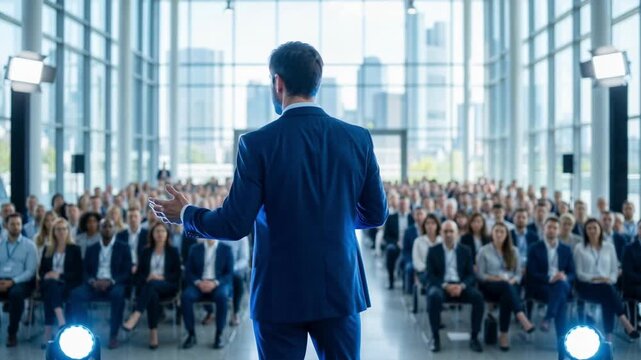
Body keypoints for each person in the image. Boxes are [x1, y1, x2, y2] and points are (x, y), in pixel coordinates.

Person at [150, 41, 388, 359]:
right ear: (316, 82)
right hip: (339, 287)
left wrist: (187, 214)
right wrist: (335, 217)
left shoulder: (257, 144)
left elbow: (235, 223)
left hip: (280, 293)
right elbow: (375, 214)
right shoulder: (357, 137)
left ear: (278, 83)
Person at [69, 218, 132, 349]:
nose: (107, 229)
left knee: (118, 296)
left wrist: (111, 281)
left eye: (110, 226)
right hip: (94, 283)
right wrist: (93, 281)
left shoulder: (123, 247)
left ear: (114, 229)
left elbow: (127, 272)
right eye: (104, 226)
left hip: (114, 283)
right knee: (75, 294)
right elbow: (85, 270)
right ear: (100, 229)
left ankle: (113, 335)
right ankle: (84, 333)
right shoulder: (92, 248)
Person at [573, 218, 639, 341]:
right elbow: (579, 273)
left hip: (606, 285)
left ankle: (610, 333)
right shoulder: (579, 248)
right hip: (586, 286)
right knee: (608, 292)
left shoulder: (609, 247)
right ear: (585, 231)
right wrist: (596, 278)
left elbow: (614, 270)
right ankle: (621, 326)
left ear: (600, 230)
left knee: (607, 293)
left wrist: (609, 279)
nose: (592, 231)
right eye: (589, 228)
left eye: (595, 228)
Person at [425, 221, 484, 353]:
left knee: (478, 297)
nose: (448, 234)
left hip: (460, 286)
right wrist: (446, 286)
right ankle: (435, 337)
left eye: (451, 231)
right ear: (440, 233)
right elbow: (430, 275)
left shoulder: (465, 250)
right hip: (442, 286)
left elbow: (471, 275)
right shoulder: (433, 251)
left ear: (457, 234)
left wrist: (461, 286)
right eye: (445, 231)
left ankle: (474, 337)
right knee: (433, 296)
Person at [476, 223, 535, 351]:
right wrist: (497, 278)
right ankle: (520, 317)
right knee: (505, 287)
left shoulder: (514, 250)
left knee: (506, 295)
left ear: (506, 234)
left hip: (510, 285)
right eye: (496, 231)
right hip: (490, 285)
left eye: (502, 232)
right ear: (492, 233)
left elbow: (519, 274)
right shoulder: (484, 250)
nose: (499, 234)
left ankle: (504, 334)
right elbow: (480, 275)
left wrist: (512, 280)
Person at [122, 222, 181, 349]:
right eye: (157, 231)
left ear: (167, 234)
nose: (160, 234)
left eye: (162, 231)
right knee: (152, 293)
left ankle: (136, 315)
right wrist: (148, 277)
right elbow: (138, 275)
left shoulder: (173, 251)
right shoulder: (146, 251)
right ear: (152, 234)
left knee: (152, 285)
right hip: (149, 288)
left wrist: (162, 277)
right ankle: (153, 334)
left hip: (168, 286)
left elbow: (177, 275)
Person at [525, 216, 575, 358]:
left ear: (559, 230)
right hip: (542, 287)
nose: (552, 230)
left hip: (561, 285)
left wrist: (564, 277)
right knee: (561, 300)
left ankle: (548, 317)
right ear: (543, 229)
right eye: (549, 227)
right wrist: (550, 278)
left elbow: (572, 273)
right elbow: (532, 273)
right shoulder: (534, 248)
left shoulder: (566, 249)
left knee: (561, 286)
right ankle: (563, 346)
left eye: (555, 227)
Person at [180, 238, 234, 349]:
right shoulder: (195, 248)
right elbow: (189, 271)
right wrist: (199, 282)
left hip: (217, 284)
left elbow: (229, 273)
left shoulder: (226, 249)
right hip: (199, 284)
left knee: (222, 296)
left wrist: (215, 283)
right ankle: (191, 334)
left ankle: (219, 334)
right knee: (186, 297)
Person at [38, 218, 83, 345]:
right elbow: (41, 271)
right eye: (58, 229)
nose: (62, 232)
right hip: (49, 283)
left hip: (67, 283)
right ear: (54, 232)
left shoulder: (75, 249)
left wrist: (59, 275)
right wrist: (47, 275)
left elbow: (78, 273)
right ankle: (61, 319)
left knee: (50, 293)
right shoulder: (48, 249)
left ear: (68, 231)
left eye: (64, 229)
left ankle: (48, 333)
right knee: (50, 285)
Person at [0, 213, 37, 347]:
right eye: (12, 224)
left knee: (16, 294)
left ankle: (12, 333)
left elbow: (30, 271)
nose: (16, 227)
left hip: (21, 282)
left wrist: (13, 281)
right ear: (6, 226)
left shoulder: (29, 245)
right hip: (1, 280)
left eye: (18, 224)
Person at [382, 196, 413, 289]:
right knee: (390, 250)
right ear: (398, 205)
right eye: (401, 204)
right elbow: (386, 236)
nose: (403, 206)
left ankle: (407, 284)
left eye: (405, 204)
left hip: (409, 245)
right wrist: (397, 242)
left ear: (408, 206)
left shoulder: (412, 218)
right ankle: (391, 280)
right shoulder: (391, 218)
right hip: (396, 244)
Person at [116, 207, 149, 274]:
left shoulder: (148, 235)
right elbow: (118, 256)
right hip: (124, 269)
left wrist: (138, 266)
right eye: (130, 217)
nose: (133, 219)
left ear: (141, 218)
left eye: (135, 216)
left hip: (143, 269)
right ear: (126, 219)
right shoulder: (120, 235)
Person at [402, 207, 427, 294]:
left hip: (426, 258)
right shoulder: (408, 231)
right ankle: (410, 293)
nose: (419, 217)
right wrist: (412, 261)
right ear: (413, 216)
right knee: (410, 268)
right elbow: (406, 250)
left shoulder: (429, 229)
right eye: (417, 214)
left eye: (421, 214)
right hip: (412, 258)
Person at [411, 213, 441, 286]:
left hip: (441, 271)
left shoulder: (442, 241)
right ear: (424, 225)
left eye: (433, 223)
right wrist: (429, 269)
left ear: (437, 225)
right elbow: (416, 261)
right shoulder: (418, 241)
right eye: (427, 223)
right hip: (424, 271)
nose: (430, 226)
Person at [621, 220, 641, 328]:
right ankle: (633, 325)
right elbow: (628, 272)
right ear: (638, 230)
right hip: (634, 285)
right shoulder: (629, 248)